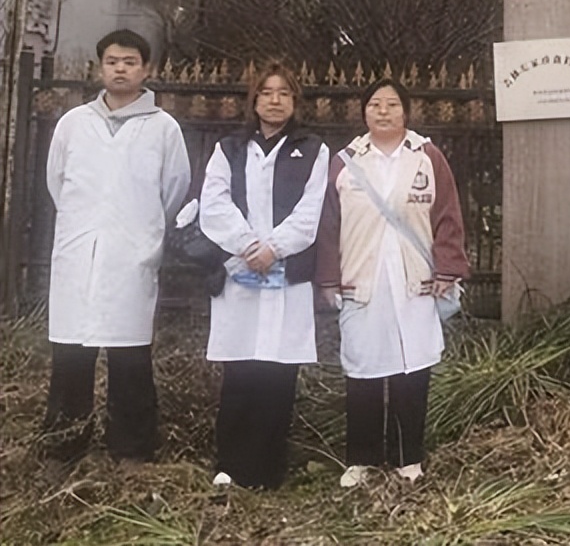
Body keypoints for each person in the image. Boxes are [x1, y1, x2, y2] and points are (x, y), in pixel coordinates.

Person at [42, 30, 190, 463]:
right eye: (112, 61)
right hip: (78, 253)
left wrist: (138, 232)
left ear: (146, 69)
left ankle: (132, 450)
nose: (120, 69)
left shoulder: (163, 129)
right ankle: (64, 446)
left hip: (131, 256)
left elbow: (173, 189)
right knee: (71, 354)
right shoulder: (73, 124)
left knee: (130, 358)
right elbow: (57, 182)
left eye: (129, 62)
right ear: (100, 68)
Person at [316, 78, 469, 488]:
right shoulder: (346, 162)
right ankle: (361, 459)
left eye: (392, 104)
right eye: (375, 105)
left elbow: (448, 215)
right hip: (361, 281)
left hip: (414, 282)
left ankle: (408, 458)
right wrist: (328, 278)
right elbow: (327, 225)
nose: (383, 111)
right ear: (364, 112)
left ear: (406, 111)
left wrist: (447, 268)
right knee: (363, 369)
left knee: (411, 368)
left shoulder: (427, 157)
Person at [199, 62, 329, 488]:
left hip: (286, 273)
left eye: (284, 93)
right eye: (267, 92)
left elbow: (311, 210)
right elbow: (214, 203)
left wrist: (275, 248)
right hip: (240, 271)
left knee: (278, 373)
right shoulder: (230, 148)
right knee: (240, 370)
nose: (275, 100)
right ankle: (229, 466)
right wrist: (248, 245)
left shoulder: (313, 150)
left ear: (295, 101)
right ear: (254, 100)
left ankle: (269, 471)